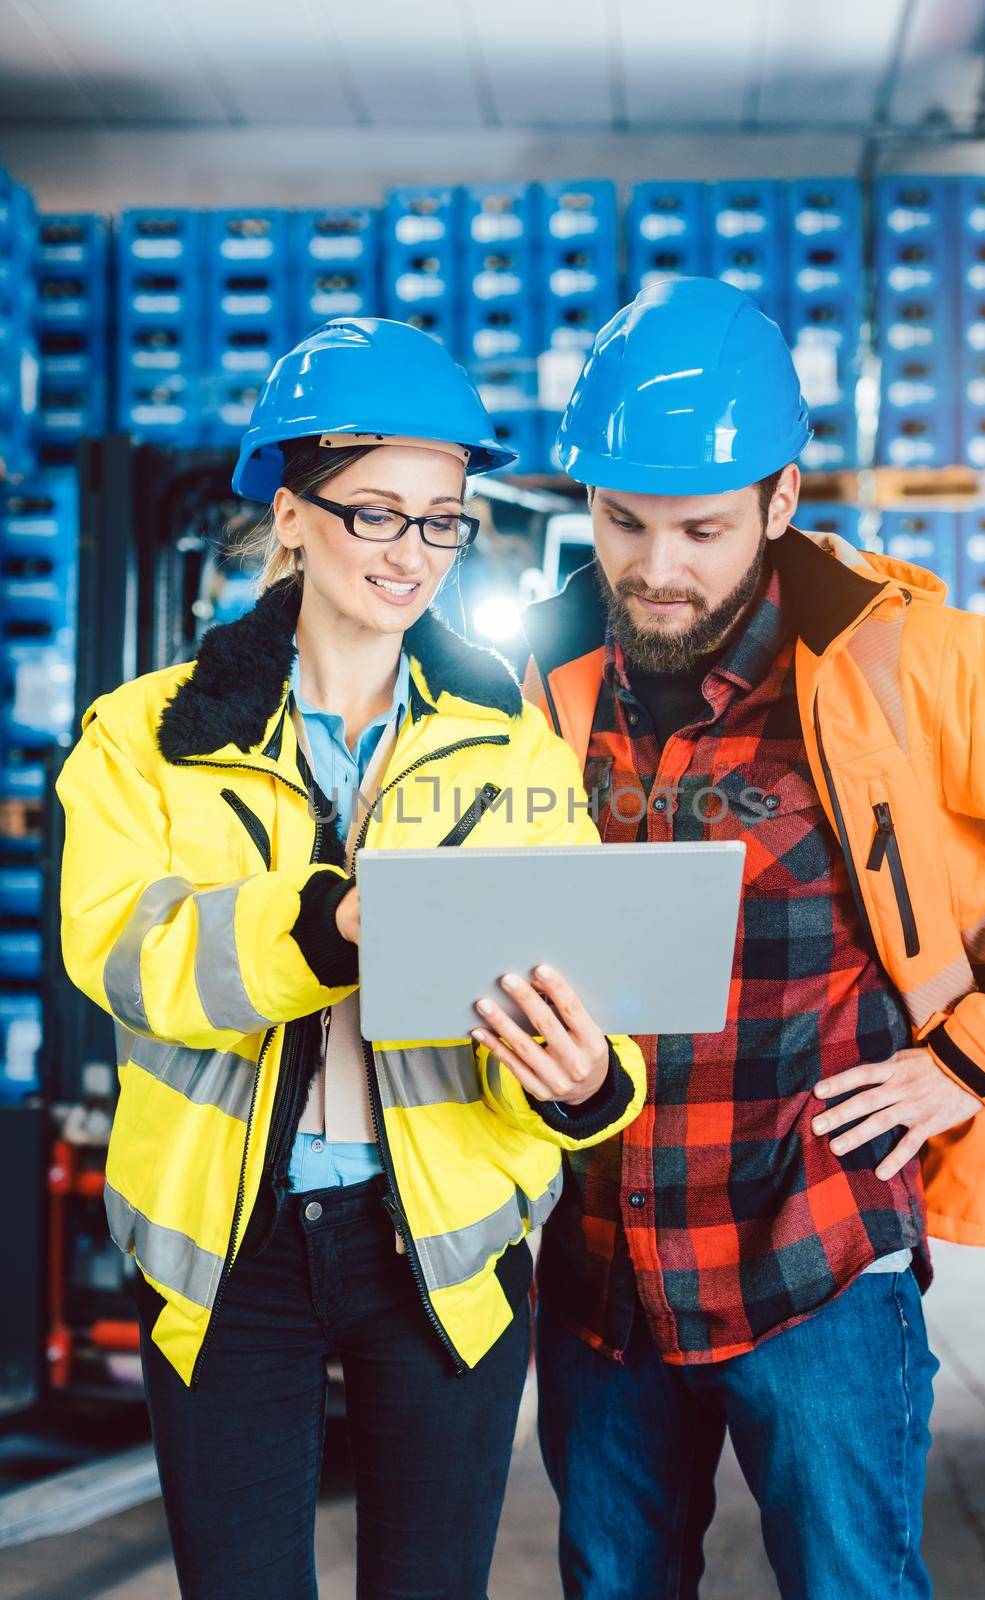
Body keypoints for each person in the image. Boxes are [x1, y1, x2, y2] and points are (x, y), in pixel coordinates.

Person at [56, 316, 645, 1600]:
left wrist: (583, 1079)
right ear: (289, 509)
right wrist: (324, 926)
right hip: (229, 1252)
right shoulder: (146, 737)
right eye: (375, 512)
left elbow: (585, 990)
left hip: (441, 1246)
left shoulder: (510, 745)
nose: (412, 552)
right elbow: (125, 953)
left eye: (440, 518)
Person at [521, 276, 985, 1600]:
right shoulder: (542, 678)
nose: (656, 569)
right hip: (603, 1260)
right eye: (620, 523)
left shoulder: (904, 662)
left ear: (779, 503)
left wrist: (974, 1060)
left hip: (818, 1247)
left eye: (701, 529)